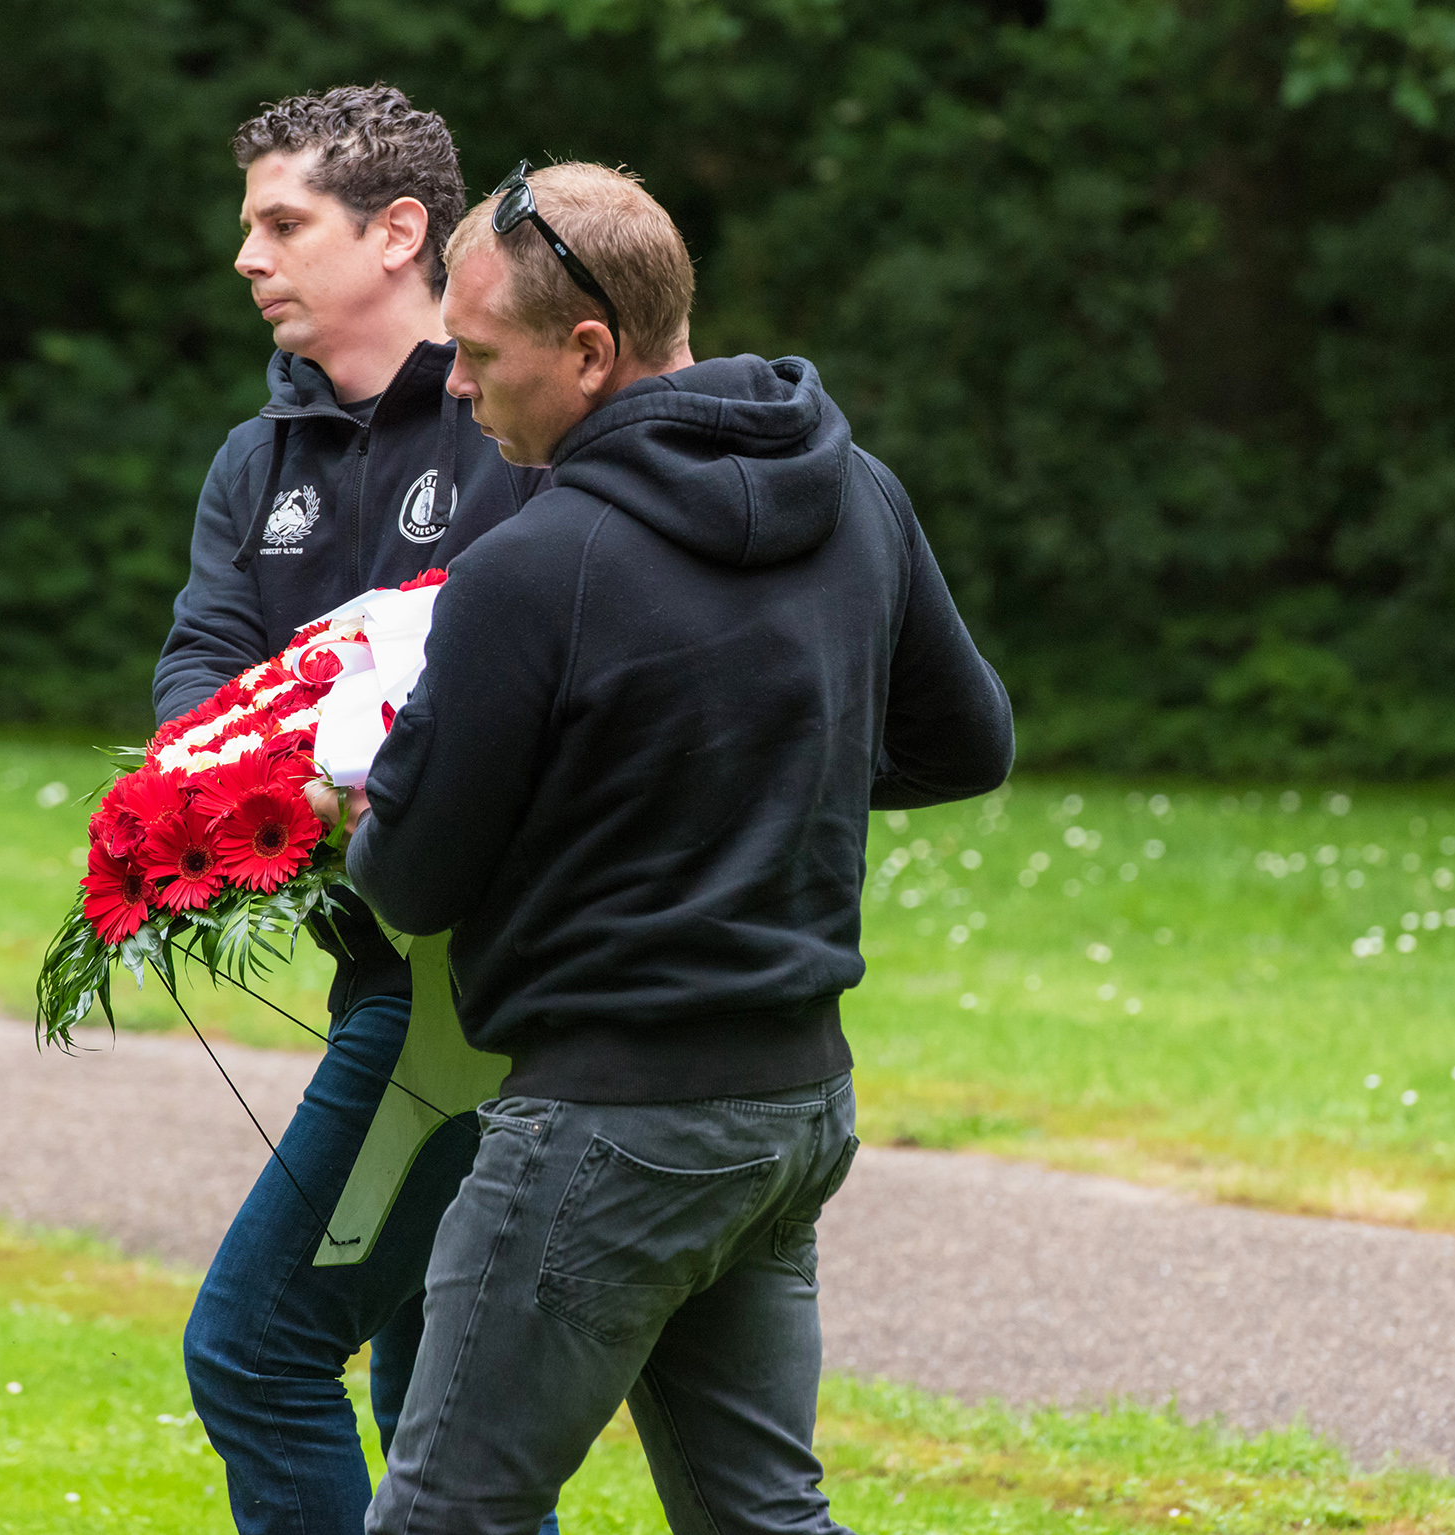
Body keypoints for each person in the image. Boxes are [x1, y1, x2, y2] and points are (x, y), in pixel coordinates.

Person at [334, 161, 1014, 1534]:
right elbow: (968, 742)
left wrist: (367, 812)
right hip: (789, 1114)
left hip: (606, 1129)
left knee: (441, 1518)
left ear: (589, 351)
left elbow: (411, 881)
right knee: (762, 1519)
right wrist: (756, 779)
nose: (455, 389)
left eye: (476, 355)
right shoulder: (859, 492)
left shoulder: (533, 568)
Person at [154, 86, 558, 1535]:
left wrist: (366, 775)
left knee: (255, 1352)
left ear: (401, 234)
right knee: (431, 1392)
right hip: (370, 979)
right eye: (248, 224)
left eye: (282, 223)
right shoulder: (253, 461)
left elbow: (525, 715)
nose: (248, 256)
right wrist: (248, 784)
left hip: (474, 999)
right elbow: (197, 677)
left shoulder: (515, 426)